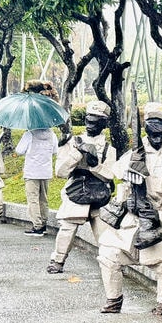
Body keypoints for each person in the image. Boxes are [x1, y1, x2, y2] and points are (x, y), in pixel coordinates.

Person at [97, 101, 162, 317]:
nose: (156, 135)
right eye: (152, 129)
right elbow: (116, 174)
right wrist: (129, 172)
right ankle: (114, 299)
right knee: (108, 254)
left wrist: (161, 217)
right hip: (131, 219)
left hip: (157, 218)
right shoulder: (135, 152)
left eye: (160, 129)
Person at [47, 100, 117, 274]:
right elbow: (61, 172)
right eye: (89, 120)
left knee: (105, 235)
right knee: (67, 229)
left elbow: (110, 175)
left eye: (97, 121)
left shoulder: (109, 148)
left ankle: (109, 266)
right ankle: (58, 260)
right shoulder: (72, 142)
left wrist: (95, 165)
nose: (91, 124)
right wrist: (77, 154)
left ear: (104, 123)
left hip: (100, 193)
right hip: (76, 190)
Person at [15, 125, 58, 236]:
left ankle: (37, 226)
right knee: (44, 199)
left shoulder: (29, 134)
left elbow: (19, 150)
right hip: (46, 171)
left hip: (32, 171)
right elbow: (55, 151)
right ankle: (43, 224)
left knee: (33, 199)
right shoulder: (52, 135)